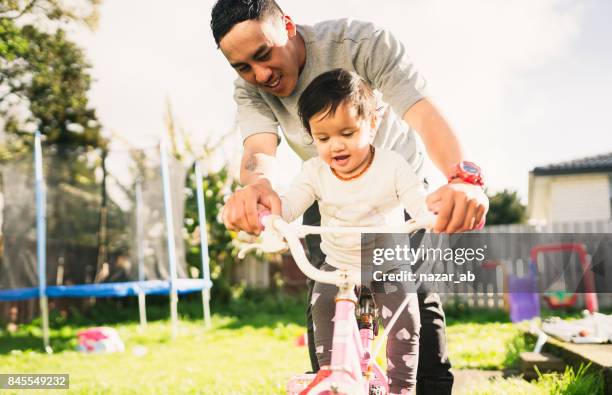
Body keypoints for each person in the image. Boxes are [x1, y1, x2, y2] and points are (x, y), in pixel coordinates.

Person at [210, 1, 489, 393]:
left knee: (414, 302)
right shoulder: (250, 88)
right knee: (324, 300)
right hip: (331, 197)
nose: (260, 74)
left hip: (398, 195)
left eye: (263, 55)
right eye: (242, 67)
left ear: (287, 27)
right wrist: (256, 188)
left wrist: (462, 178)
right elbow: (259, 149)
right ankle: (334, 380)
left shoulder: (361, 43)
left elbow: (421, 112)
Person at [277, 68, 424, 394]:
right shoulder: (314, 171)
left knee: (406, 320)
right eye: (324, 138)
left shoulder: (392, 165)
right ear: (311, 136)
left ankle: (403, 387)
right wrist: (273, 220)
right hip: (339, 264)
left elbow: (418, 201)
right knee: (323, 307)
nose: (336, 146)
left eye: (347, 133)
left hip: (388, 261)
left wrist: (432, 214)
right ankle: (333, 378)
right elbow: (288, 206)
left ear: (372, 125)